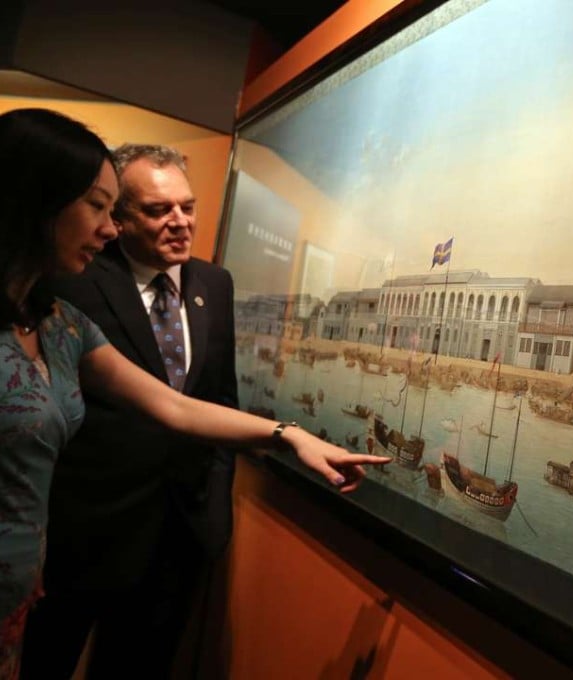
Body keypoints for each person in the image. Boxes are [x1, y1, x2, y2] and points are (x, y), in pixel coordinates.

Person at [0, 108, 389, 677]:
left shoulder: (61, 326)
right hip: (78, 545)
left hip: (32, 582)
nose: (108, 230)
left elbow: (177, 405)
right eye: (100, 208)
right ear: (39, 201)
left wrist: (290, 435)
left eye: (187, 206)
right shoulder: (72, 291)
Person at [22, 145, 233, 678]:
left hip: (178, 536)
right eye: (159, 210)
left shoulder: (214, 285)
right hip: (80, 537)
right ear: (119, 217)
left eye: (187, 207)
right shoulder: (71, 279)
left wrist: (214, 513)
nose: (180, 223)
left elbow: (216, 400)